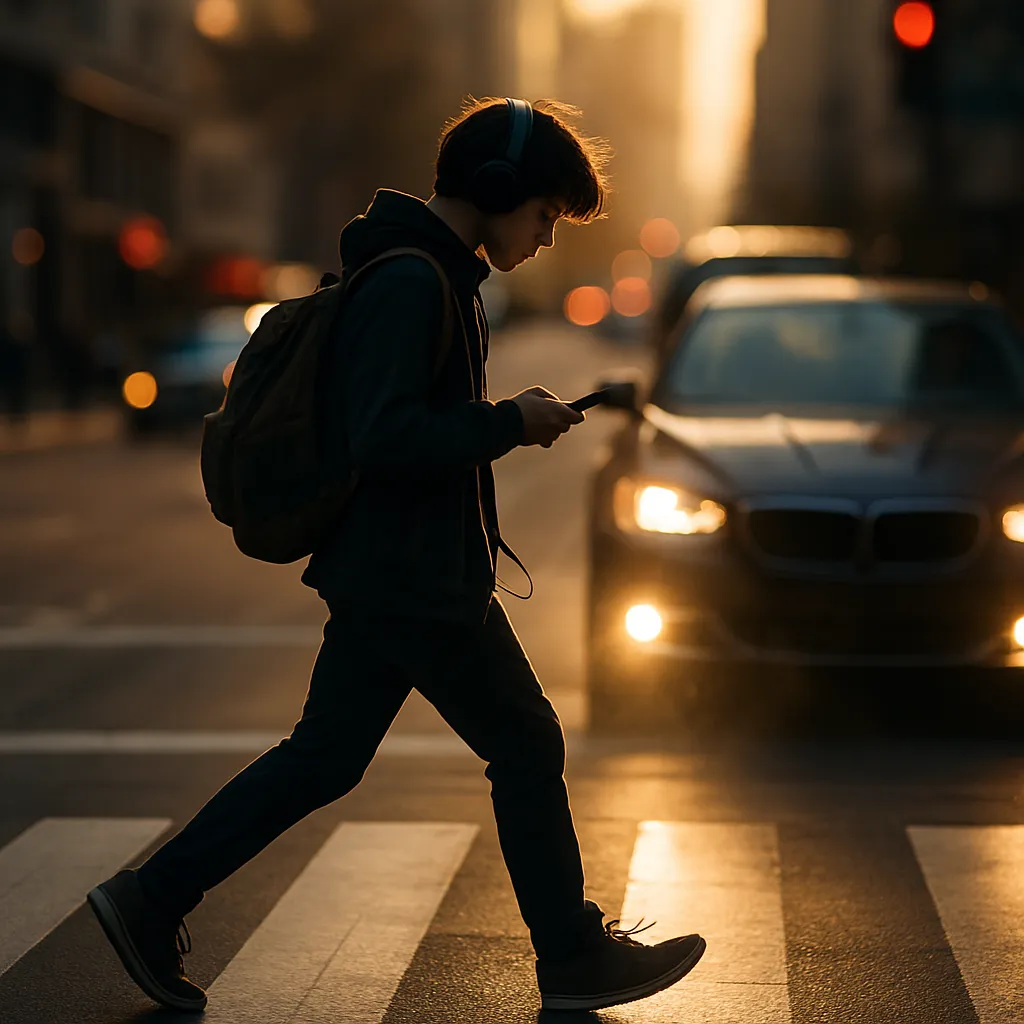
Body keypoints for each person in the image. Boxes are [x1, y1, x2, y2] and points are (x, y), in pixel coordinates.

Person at [86, 97, 706, 1014]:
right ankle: (572, 956)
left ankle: (150, 898)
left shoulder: (430, 274)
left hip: (394, 571)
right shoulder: (412, 281)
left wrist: (511, 420)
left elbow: (400, 421)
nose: (542, 238)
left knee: (326, 757)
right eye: (541, 216)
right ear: (496, 190)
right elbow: (383, 434)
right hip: (414, 578)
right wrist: (506, 424)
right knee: (526, 744)